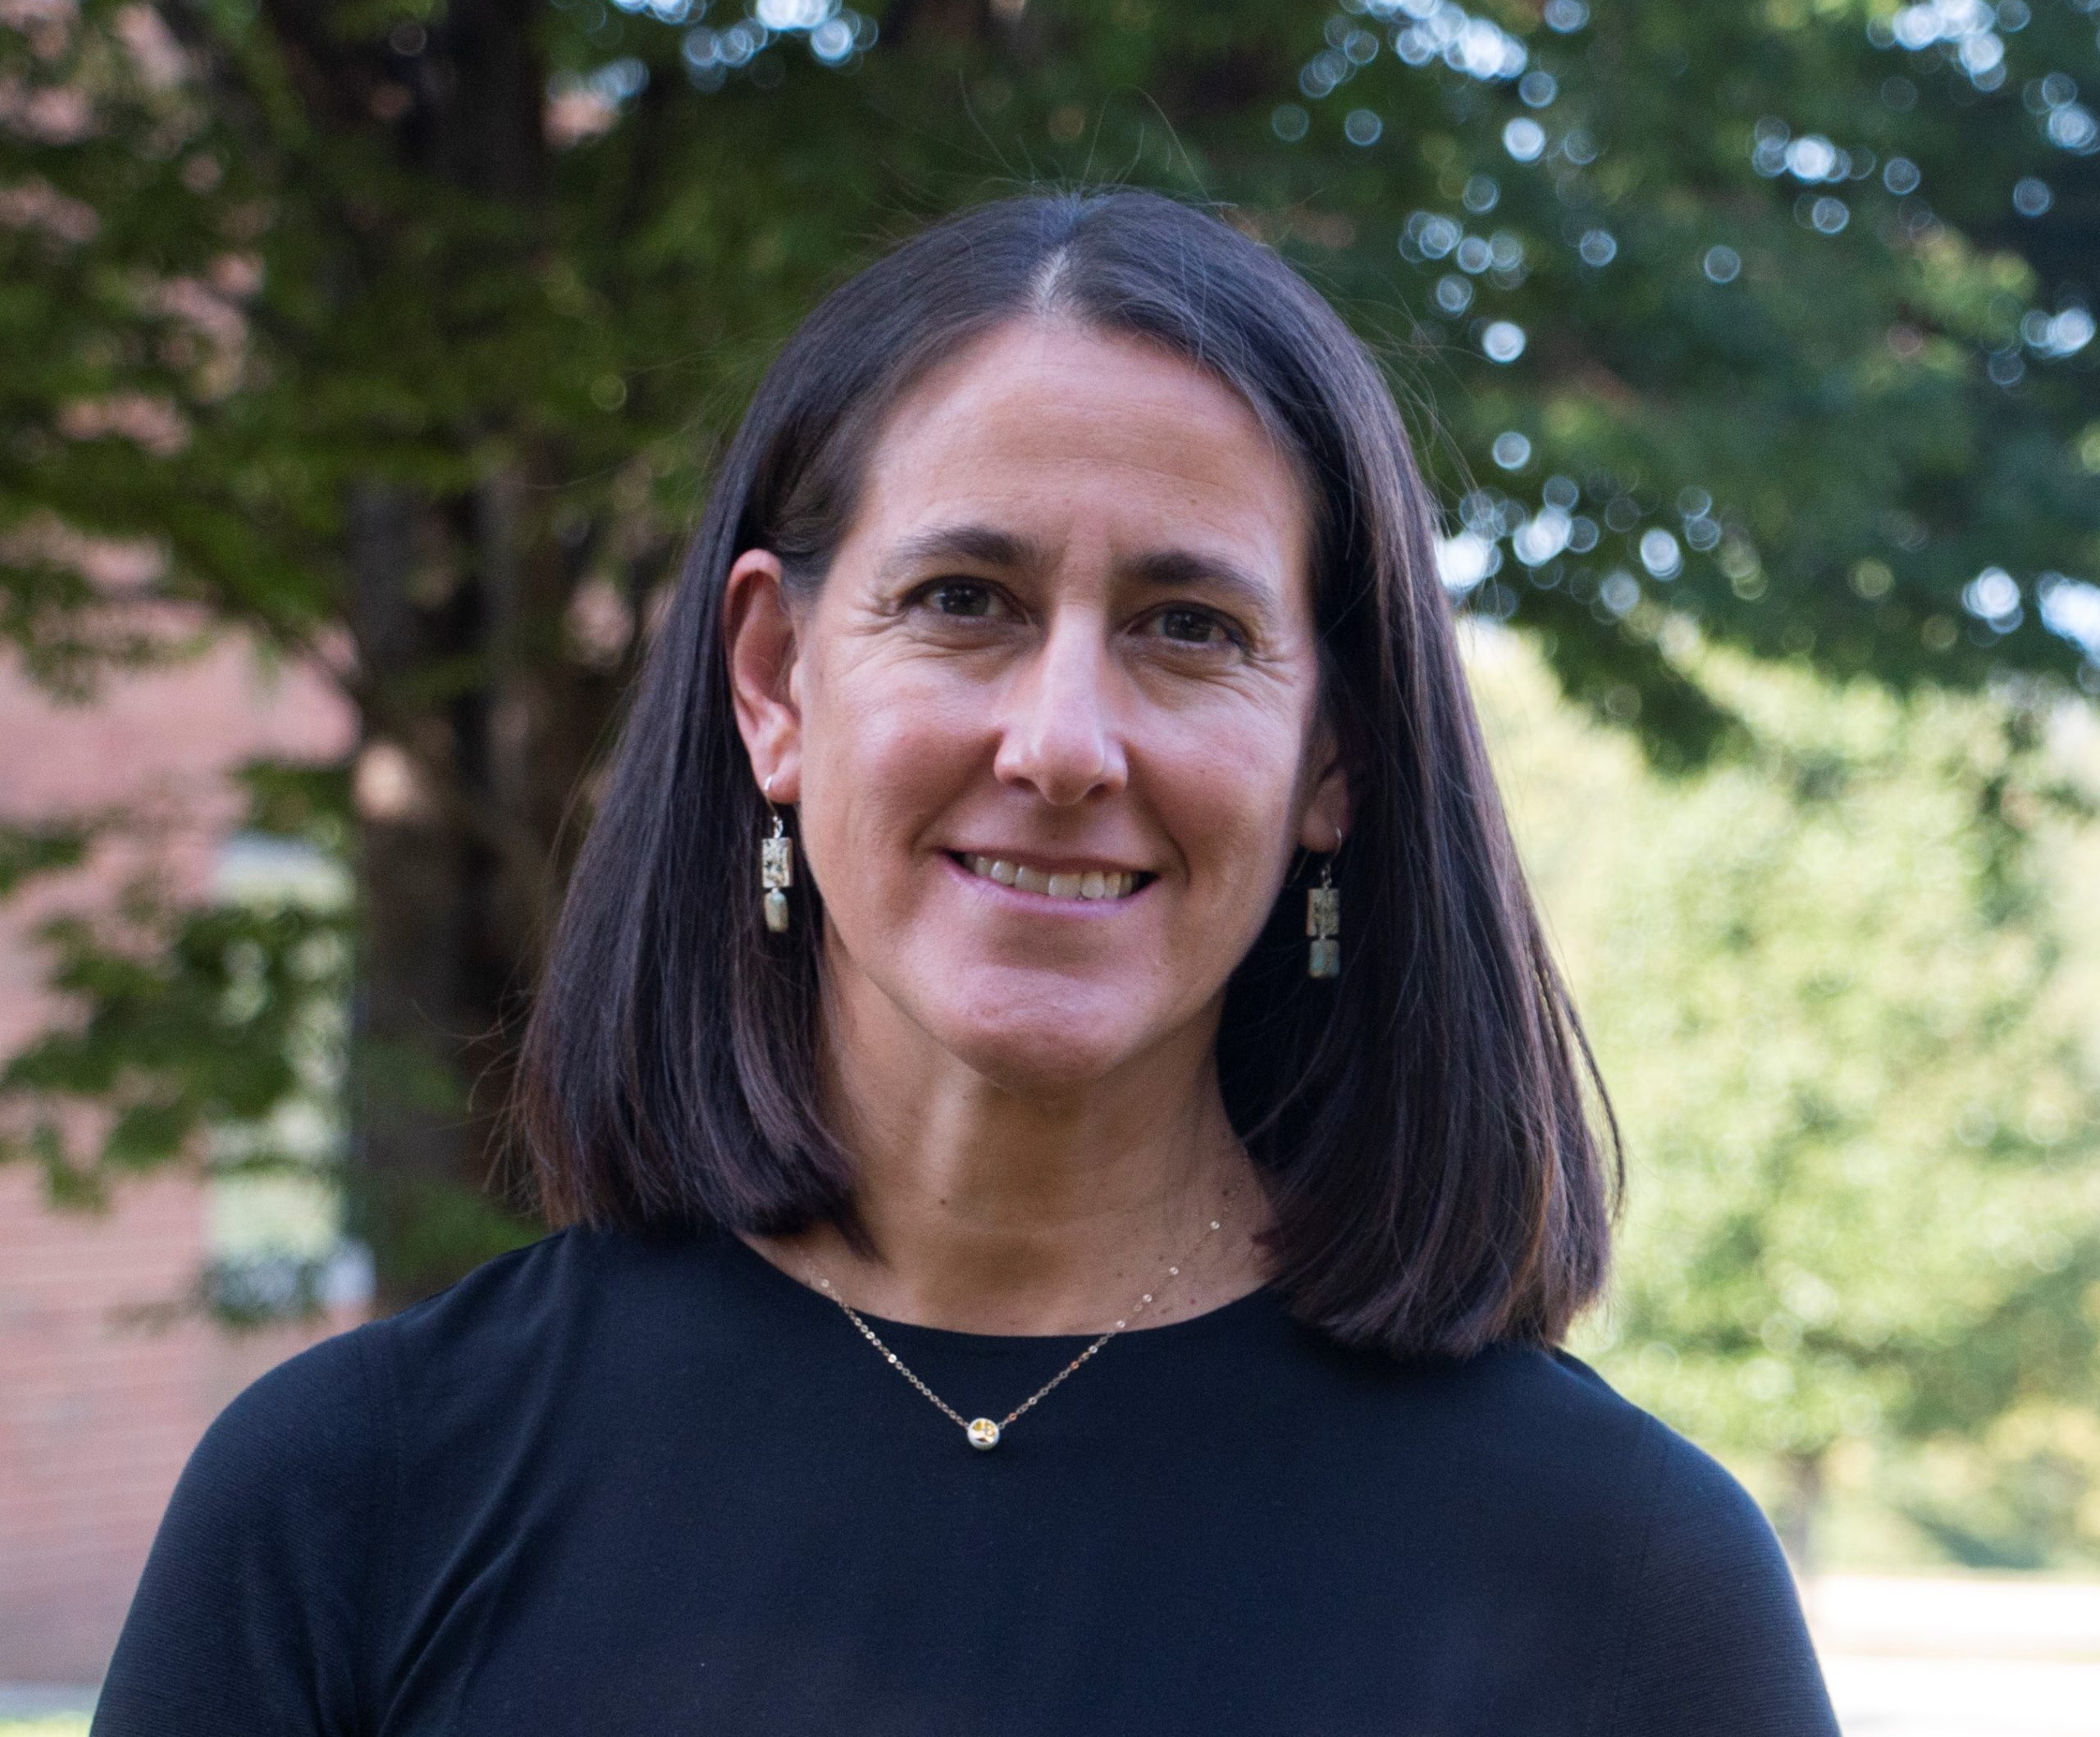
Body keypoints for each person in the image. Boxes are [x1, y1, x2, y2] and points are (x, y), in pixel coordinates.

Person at [92, 188, 1842, 1736]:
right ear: (775, 682)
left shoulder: (1619, 1582)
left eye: (1188, 627)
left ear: (1335, 759)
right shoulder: (357, 1498)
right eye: (963, 601)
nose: (1062, 741)